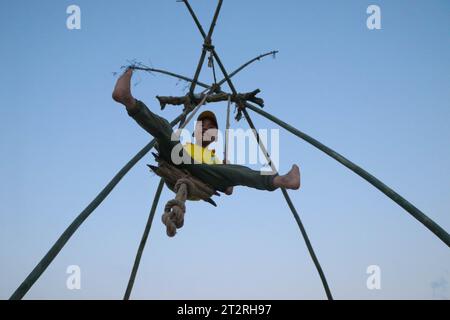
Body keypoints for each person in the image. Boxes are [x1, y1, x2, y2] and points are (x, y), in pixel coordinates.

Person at [112, 68, 300, 197]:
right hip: (177, 162)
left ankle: (280, 180)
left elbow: (228, 190)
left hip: (202, 177)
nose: (206, 128)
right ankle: (129, 101)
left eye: (211, 127)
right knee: (164, 130)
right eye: (203, 125)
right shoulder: (184, 144)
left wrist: (228, 173)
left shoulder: (215, 160)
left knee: (239, 170)